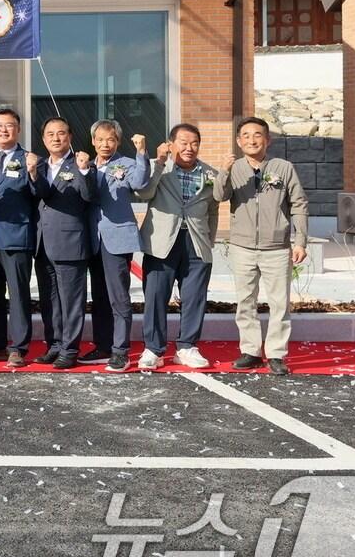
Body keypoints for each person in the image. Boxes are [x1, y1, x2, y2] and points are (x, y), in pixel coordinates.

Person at [214, 117, 309, 375]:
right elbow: (219, 196)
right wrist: (223, 171)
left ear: (267, 140)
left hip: (277, 248)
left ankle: (277, 355)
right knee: (245, 301)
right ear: (238, 141)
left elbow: (299, 204)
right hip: (242, 247)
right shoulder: (234, 169)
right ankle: (251, 351)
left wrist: (300, 241)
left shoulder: (283, 167)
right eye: (245, 135)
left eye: (257, 135)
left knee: (279, 303)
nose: (251, 140)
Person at [134, 124, 221, 371]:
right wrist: (159, 164)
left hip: (196, 242)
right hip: (162, 242)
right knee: (155, 297)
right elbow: (144, 193)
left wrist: (208, 239)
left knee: (194, 298)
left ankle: (187, 347)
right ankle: (153, 348)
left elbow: (213, 210)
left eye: (194, 143)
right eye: (183, 142)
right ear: (171, 144)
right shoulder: (157, 167)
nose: (189, 148)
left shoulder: (210, 174)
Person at [0, 108, 42, 367]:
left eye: (9, 125)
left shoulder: (29, 159)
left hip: (16, 236)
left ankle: (18, 347)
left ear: (18, 129)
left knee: (17, 294)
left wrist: (34, 172)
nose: (3, 130)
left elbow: (39, 193)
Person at [85, 120, 152, 373]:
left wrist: (142, 152)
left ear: (118, 142)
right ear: (92, 141)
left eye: (110, 139)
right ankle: (102, 346)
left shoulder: (127, 164)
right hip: (92, 238)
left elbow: (139, 182)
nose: (105, 144)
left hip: (118, 238)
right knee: (99, 296)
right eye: (100, 139)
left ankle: (120, 351)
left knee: (119, 297)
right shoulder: (87, 166)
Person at [32, 118, 96, 370]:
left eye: (61, 133)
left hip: (70, 242)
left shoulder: (80, 163)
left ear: (70, 137)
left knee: (71, 301)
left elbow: (89, 195)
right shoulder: (38, 164)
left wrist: (82, 170)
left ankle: (70, 349)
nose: (55, 138)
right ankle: (55, 345)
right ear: (44, 138)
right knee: (50, 300)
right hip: (42, 242)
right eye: (50, 134)